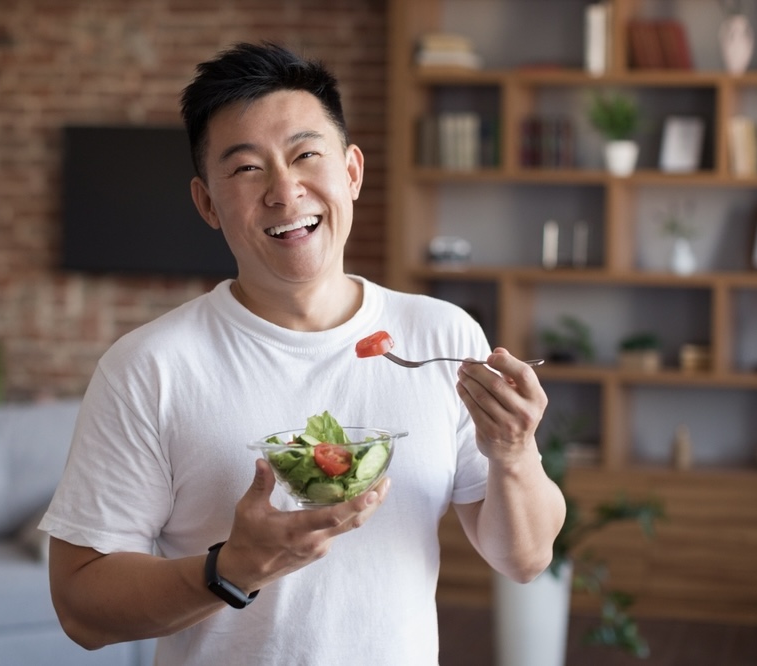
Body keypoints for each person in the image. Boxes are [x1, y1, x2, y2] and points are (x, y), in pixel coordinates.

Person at [40, 42, 565, 665]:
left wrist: (513, 452)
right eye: (245, 169)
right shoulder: (149, 367)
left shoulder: (443, 337)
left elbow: (525, 557)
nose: (285, 192)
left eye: (305, 154)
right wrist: (230, 569)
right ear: (206, 202)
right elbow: (80, 606)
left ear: (352, 172)